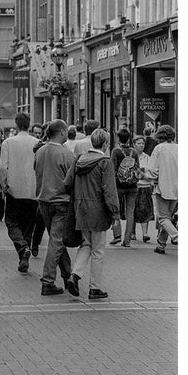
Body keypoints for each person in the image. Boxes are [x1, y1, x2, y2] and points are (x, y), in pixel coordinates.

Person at [65, 128, 118, 301]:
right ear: (105, 143)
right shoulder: (105, 163)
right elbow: (109, 191)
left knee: (86, 244)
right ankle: (94, 288)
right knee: (98, 250)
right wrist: (115, 213)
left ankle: (74, 275)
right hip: (98, 210)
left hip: (81, 208)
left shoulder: (79, 160)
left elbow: (67, 183)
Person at [34, 120, 76, 296]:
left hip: (43, 199)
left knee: (56, 240)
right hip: (61, 201)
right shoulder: (66, 154)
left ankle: (67, 276)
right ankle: (48, 280)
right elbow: (72, 179)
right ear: (62, 132)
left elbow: (36, 171)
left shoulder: (40, 151)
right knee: (56, 241)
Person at [0, 112, 38, 273]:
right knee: (28, 225)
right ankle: (24, 253)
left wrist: (3, 185)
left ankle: (22, 247)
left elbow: (3, 167)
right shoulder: (37, 143)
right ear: (29, 125)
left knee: (12, 223)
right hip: (32, 189)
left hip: (13, 189)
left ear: (16, 124)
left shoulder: (8, 143)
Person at [148, 124, 179, 254]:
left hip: (162, 187)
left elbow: (152, 169)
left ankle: (176, 235)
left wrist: (151, 178)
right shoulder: (178, 148)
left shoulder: (159, 149)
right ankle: (161, 244)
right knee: (168, 218)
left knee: (163, 218)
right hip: (177, 188)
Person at [109, 128, 140, 247]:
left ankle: (117, 235)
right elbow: (138, 169)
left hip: (118, 185)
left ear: (118, 138)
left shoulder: (116, 151)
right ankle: (127, 240)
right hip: (133, 186)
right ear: (129, 139)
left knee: (115, 209)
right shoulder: (134, 152)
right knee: (130, 212)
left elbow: (112, 168)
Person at [132, 135, 155, 242]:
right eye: (139, 143)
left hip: (145, 186)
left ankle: (145, 233)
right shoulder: (130, 156)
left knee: (145, 210)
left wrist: (143, 175)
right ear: (134, 144)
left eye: (143, 143)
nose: (141, 145)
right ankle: (132, 233)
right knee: (132, 210)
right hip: (134, 186)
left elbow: (151, 173)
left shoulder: (147, 158)